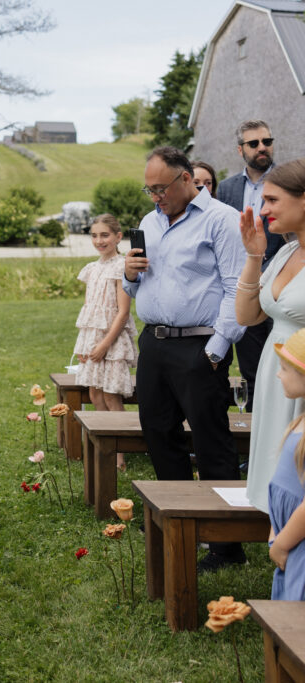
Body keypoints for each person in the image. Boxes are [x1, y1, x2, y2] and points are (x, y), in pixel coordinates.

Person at [124, 146, 246, 572]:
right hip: (154, 345)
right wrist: (129, 274)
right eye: (149, 189)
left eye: (160, 188)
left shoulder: (221, 220)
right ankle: (178, 522)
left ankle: (226, 545)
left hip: (200, 346)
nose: (155, 196)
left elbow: (236, 287)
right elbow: (138, 287)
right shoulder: (148, 222)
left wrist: (215, 352)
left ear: (186, 178)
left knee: (211, 441)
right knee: (158, 433)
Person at [235, 159, 305, 514]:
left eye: (273, 200)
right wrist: (254, 255)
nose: (263, 211)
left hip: (302, 378)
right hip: (274, 375)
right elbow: (246, 316)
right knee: (275, 467)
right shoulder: (287, 252)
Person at [217, 120, 284, 412]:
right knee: (252, 368)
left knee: (287, 365)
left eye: (267, 142)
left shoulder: (287, 182)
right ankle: (255, 442)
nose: (262, 148)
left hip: (284, 285)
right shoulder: (227, 188)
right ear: (240, 149)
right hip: (245, 286)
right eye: (254, 143)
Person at [72, 213, 138, 470]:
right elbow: (91, 310)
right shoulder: (92, 268)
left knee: (111, 395)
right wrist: (85, 345)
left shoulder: (121, 267)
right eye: (95, 236)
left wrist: (104, 346)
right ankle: (102, 447)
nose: (99, 240)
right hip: (92, 338)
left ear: (118, 237)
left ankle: (120, 454)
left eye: (105, 235)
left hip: (111, 340)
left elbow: (122, 313)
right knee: (94, 392)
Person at [268, 328, 305, 601]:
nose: (278, 374)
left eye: (284, 368)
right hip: (291, 540)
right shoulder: (298, 421)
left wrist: (281, 544)